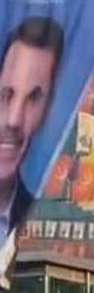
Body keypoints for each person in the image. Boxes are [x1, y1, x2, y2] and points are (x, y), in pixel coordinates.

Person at [0, 17, 64, 246]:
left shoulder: (37, 222)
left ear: (47, 110)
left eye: (32, 99)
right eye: (6, 95)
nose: (14, 120)